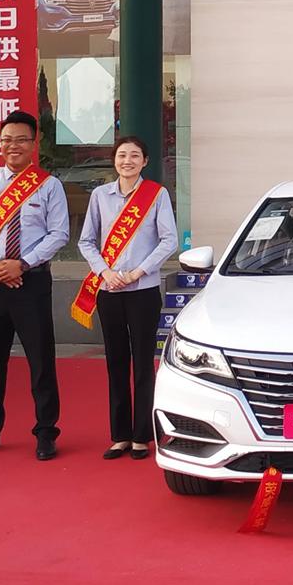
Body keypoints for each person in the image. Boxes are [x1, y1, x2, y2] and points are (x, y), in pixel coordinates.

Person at [0, 111, 71, 461]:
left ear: (34, 143)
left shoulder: (49, 186)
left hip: (31, 282)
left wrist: (22, 263)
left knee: (40, 361)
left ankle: (46, 432)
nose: (13, 146)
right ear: (0, 144)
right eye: (7, 140)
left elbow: (59, 234)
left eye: (21, 140)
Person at [77, 134, 178, 460]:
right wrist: (105, 272)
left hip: (142, 291)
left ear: (145, 161)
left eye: (135, 155)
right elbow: (86, 241)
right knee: (116, 362)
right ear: (114, 160)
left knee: (143, 364)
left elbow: (169, 240)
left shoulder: (156, 195)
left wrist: (137, 272)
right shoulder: (100, 196)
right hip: (109, 291)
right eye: (122, 155)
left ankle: (141, 436)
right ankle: (119, 435)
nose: (127, 161)